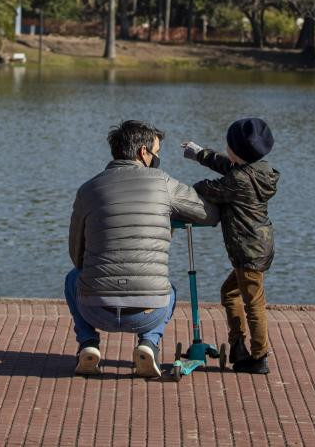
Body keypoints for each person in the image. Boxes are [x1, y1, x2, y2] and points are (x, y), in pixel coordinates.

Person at [66, 120, 218, 378]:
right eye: (156, 152)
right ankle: (149, 343)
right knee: (168, 289)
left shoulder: (87, 189)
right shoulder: (163, 183)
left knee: (72, 278)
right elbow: (209, 214)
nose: (158, 158)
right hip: (147, 312)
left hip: (95, 309)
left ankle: (88, 343)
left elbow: (76, 254)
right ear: (143, 153)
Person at [181, 117, 279, 375]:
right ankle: (237, 345)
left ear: (236, 149)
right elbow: (230, 167)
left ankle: (259, 357)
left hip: (248, 252)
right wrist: (200, 154)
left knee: (254, 303)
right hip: (260, 245)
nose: (226, 148)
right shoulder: (261, 170)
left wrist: (184, 190)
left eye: (228, 144)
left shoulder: (238, 181)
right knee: (229, 293)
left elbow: (210, 189)